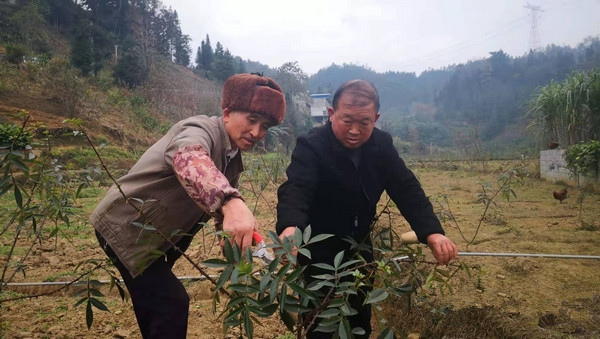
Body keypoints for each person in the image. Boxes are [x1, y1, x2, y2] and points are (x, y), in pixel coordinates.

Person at [90, 73, 286, 338]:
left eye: (265, 127)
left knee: (156, 307)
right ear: (227, 113)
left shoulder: (232, 157)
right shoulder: (199, 128)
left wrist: (234, 244)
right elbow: (188, 157)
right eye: (251, 120)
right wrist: (230, 201)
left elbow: (218, 214)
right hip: (126, 227)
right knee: (170, 305)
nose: (256, 133)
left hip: (159, 235)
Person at [276, 79, 458, 338]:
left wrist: (432, 233)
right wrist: (290, 226)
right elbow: (297, 188)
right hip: (317, 249)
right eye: (347, 120)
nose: (354, 130)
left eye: (364, 122)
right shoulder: (313, 145)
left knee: (359, 317)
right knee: (320, 321)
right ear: (331, 114)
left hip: (360, 248)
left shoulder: (381, 146)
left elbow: (406, 188)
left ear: (376, 118)